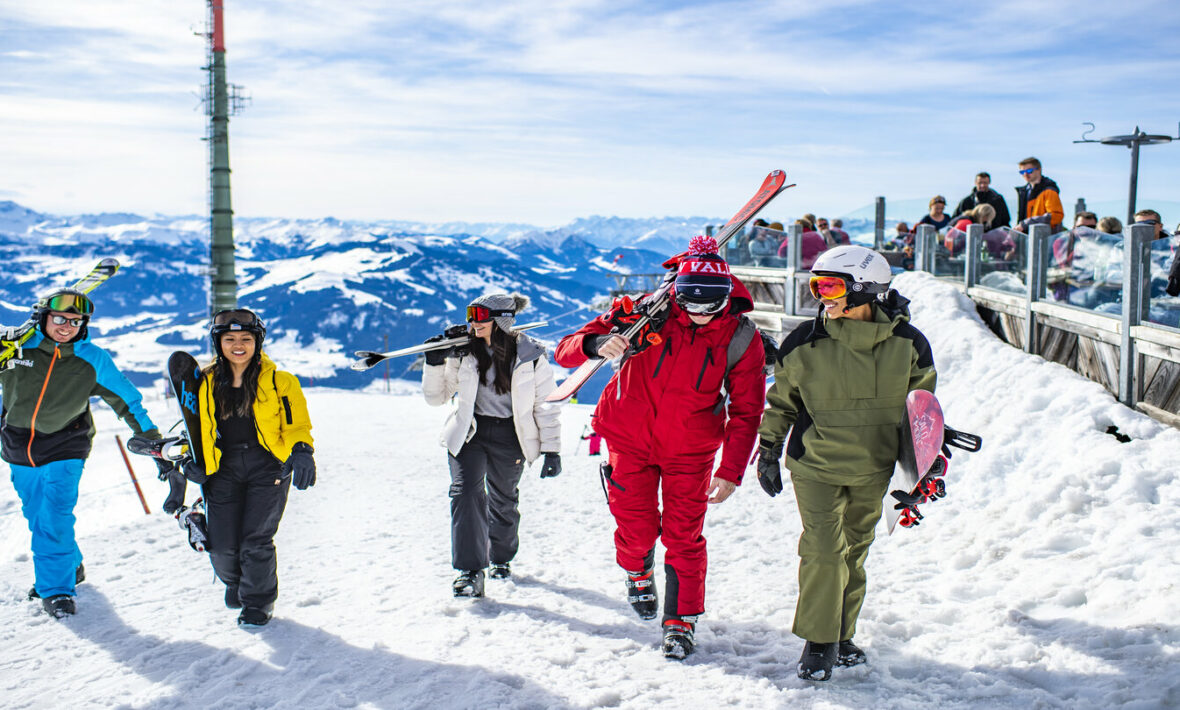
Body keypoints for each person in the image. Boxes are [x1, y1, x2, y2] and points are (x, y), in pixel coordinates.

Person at [554, 236, 765, 660]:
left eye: (713, 305)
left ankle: (680, 623)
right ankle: (637, 570)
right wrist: (597, 343)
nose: (702, 315)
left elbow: (747, 410)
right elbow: (565, 352)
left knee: (684, 536)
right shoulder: (639, 315)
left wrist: (731, 470)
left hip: (691, 450)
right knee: (636, 532)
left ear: (728, 294)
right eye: (692, 304)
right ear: (677, 293)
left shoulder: (741, 337)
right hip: (627, 439)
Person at [755, 245, 936, 682]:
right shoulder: (804, 341)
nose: (822, 297)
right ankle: (819, 642)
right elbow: (781, 403)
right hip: (815, 463)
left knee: (854, 551)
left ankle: (841, 634)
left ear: (866, 289)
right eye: (816, 286)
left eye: (831, 286)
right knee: (823, 550)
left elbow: (923, 413)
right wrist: (768, 450)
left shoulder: (908, 345)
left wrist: (925, 469)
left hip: (874, 466)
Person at [1, 289, 165, 618]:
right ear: (43, 317)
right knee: (37, 516)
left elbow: (126, 398)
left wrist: (150, 437)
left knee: (54, 519)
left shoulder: (92, 358)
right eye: (60, 318)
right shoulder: (16, 349)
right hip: (18, 446)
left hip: (66, 446)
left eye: (76, 321)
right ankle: (70, 565)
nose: (67, 326)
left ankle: (57, 590)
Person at [178, 308, 316, 627]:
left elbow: (297, 425)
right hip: (222, 468)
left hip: (268, 467)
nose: (238, 345)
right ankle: (236, 582)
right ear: (218, 343)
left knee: (256, 538)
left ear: (258, 342)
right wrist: (191, 461)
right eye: (230, 339)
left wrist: (302, 450)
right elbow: (194, 428)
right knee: (223, 546)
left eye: (246, 338)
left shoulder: (281, 382)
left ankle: (258, 602)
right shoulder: (206, 382)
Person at [422, 293, 561, 598]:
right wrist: (435, 363)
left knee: (503, 500)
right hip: (469, 433)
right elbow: (437, 397)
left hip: (510, 436)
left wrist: (552, 449)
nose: (472, 322)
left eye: (479, 315)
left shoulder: (531, 355)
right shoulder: (463, 352)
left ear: (500, 320)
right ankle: (470, 572)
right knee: (466, 493)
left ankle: (501, 557)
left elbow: (546, 405)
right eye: (470, 314)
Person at [1011, 157, 1064, 233]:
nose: (1025, 174)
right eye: (1022, 172)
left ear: (1039, 169)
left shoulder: (1049, 191)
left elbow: (1056, 216)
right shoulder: (1024, 192)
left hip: (1045, 238)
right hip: (1027, 238)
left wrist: (1027, 223)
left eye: (1029, 171)